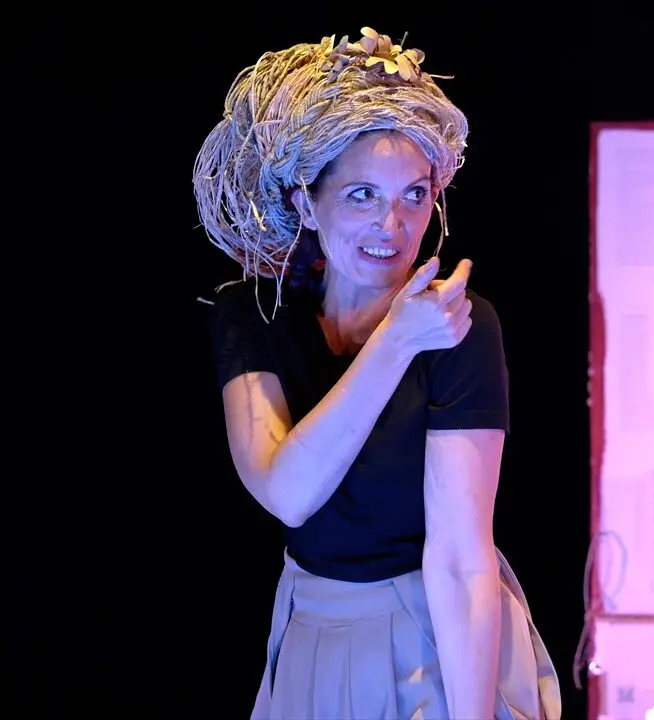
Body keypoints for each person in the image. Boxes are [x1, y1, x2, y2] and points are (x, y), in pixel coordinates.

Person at [194, 27, 561, 720]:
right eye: (362, 194)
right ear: (306, 202)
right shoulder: (253, 314)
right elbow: (288, 492)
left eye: (414, 195)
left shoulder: (458, 324)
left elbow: (460, 561)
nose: (392, 226)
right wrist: (394, 342)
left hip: (431, 633)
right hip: (310, 627)